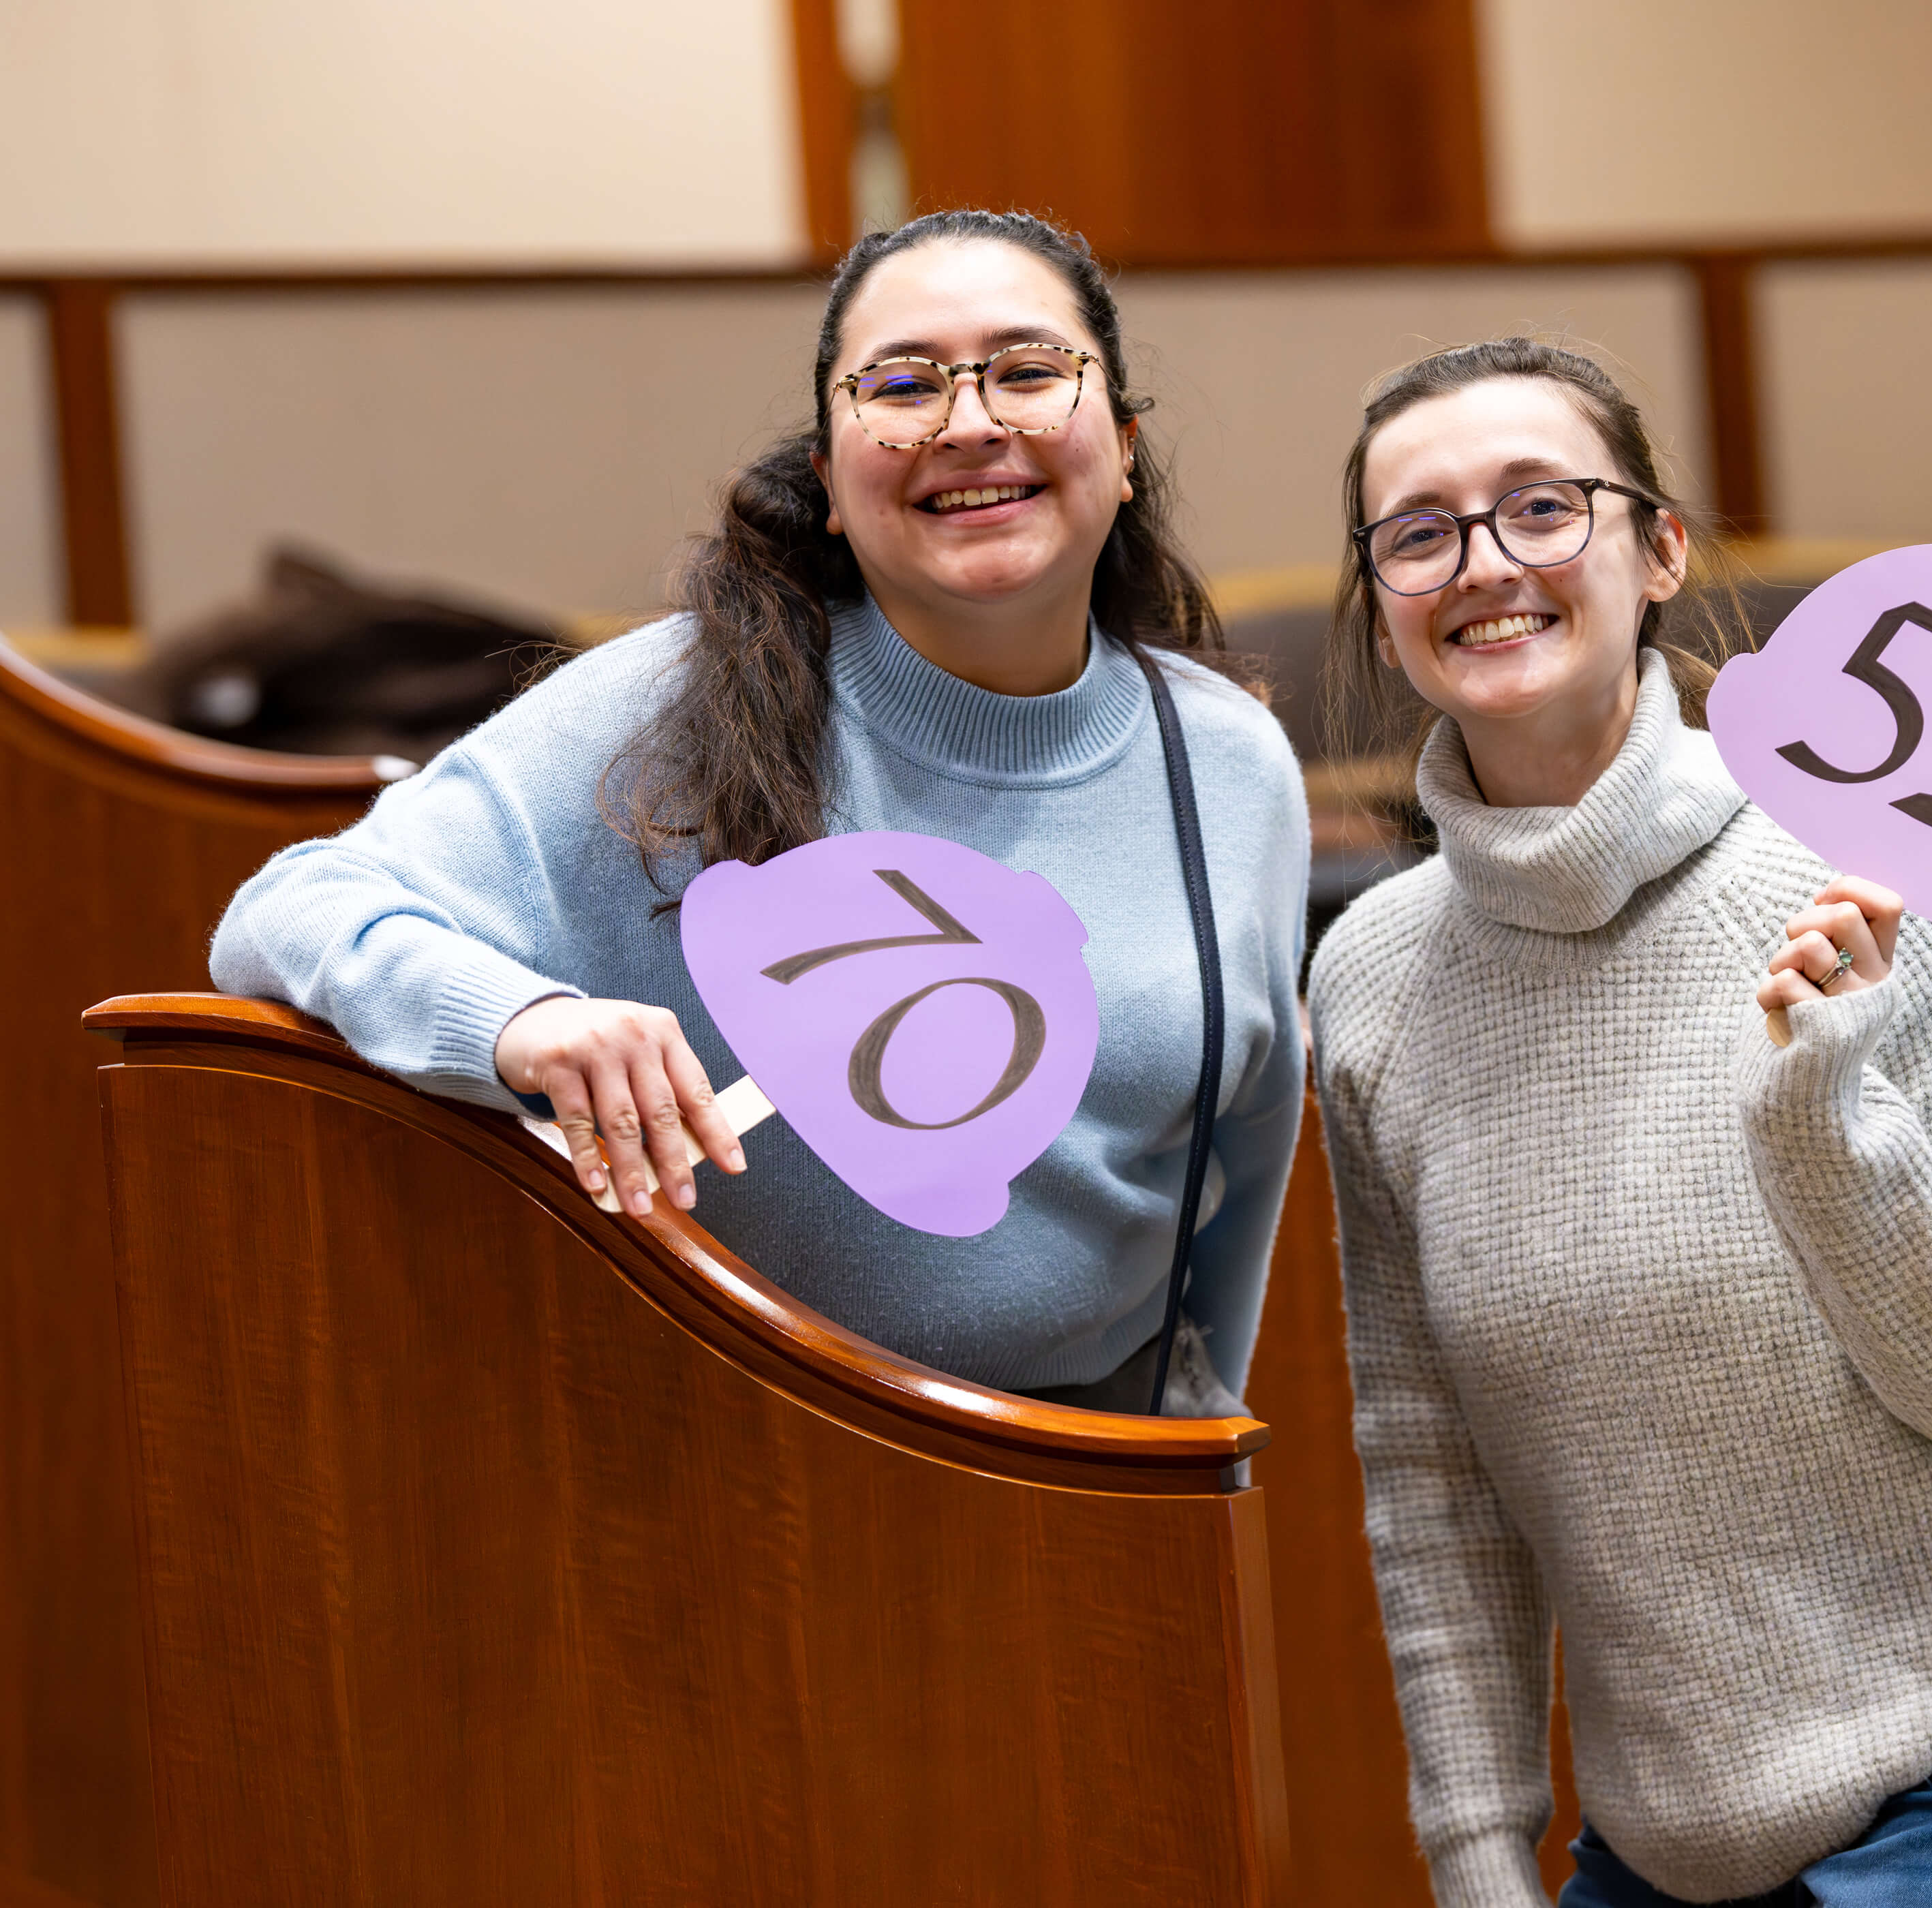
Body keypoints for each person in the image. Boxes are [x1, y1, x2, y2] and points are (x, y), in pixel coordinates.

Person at [1306, 337, 1932, 1907]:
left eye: (1540, 506)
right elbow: (1428, 1472)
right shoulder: (1371, 982)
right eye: (1421, 531)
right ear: (1381, 601)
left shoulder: (1868, 852)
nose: (1485, 564)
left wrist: (1825, 1122)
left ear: (1656, 550)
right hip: (1671, 1833)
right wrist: (1476, 1855)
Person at [211, 211, 1308, 1415]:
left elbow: (1243, 1162)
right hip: (749, 1491)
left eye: (1030, 372)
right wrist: (516, 1018)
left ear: (1126, 443)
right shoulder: (677, 706)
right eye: (901, 385)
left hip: (1106, 1475)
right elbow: (289, 910)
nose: (972, 422)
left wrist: (1208, 1459)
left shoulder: (1231, 760)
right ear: (832, 480)